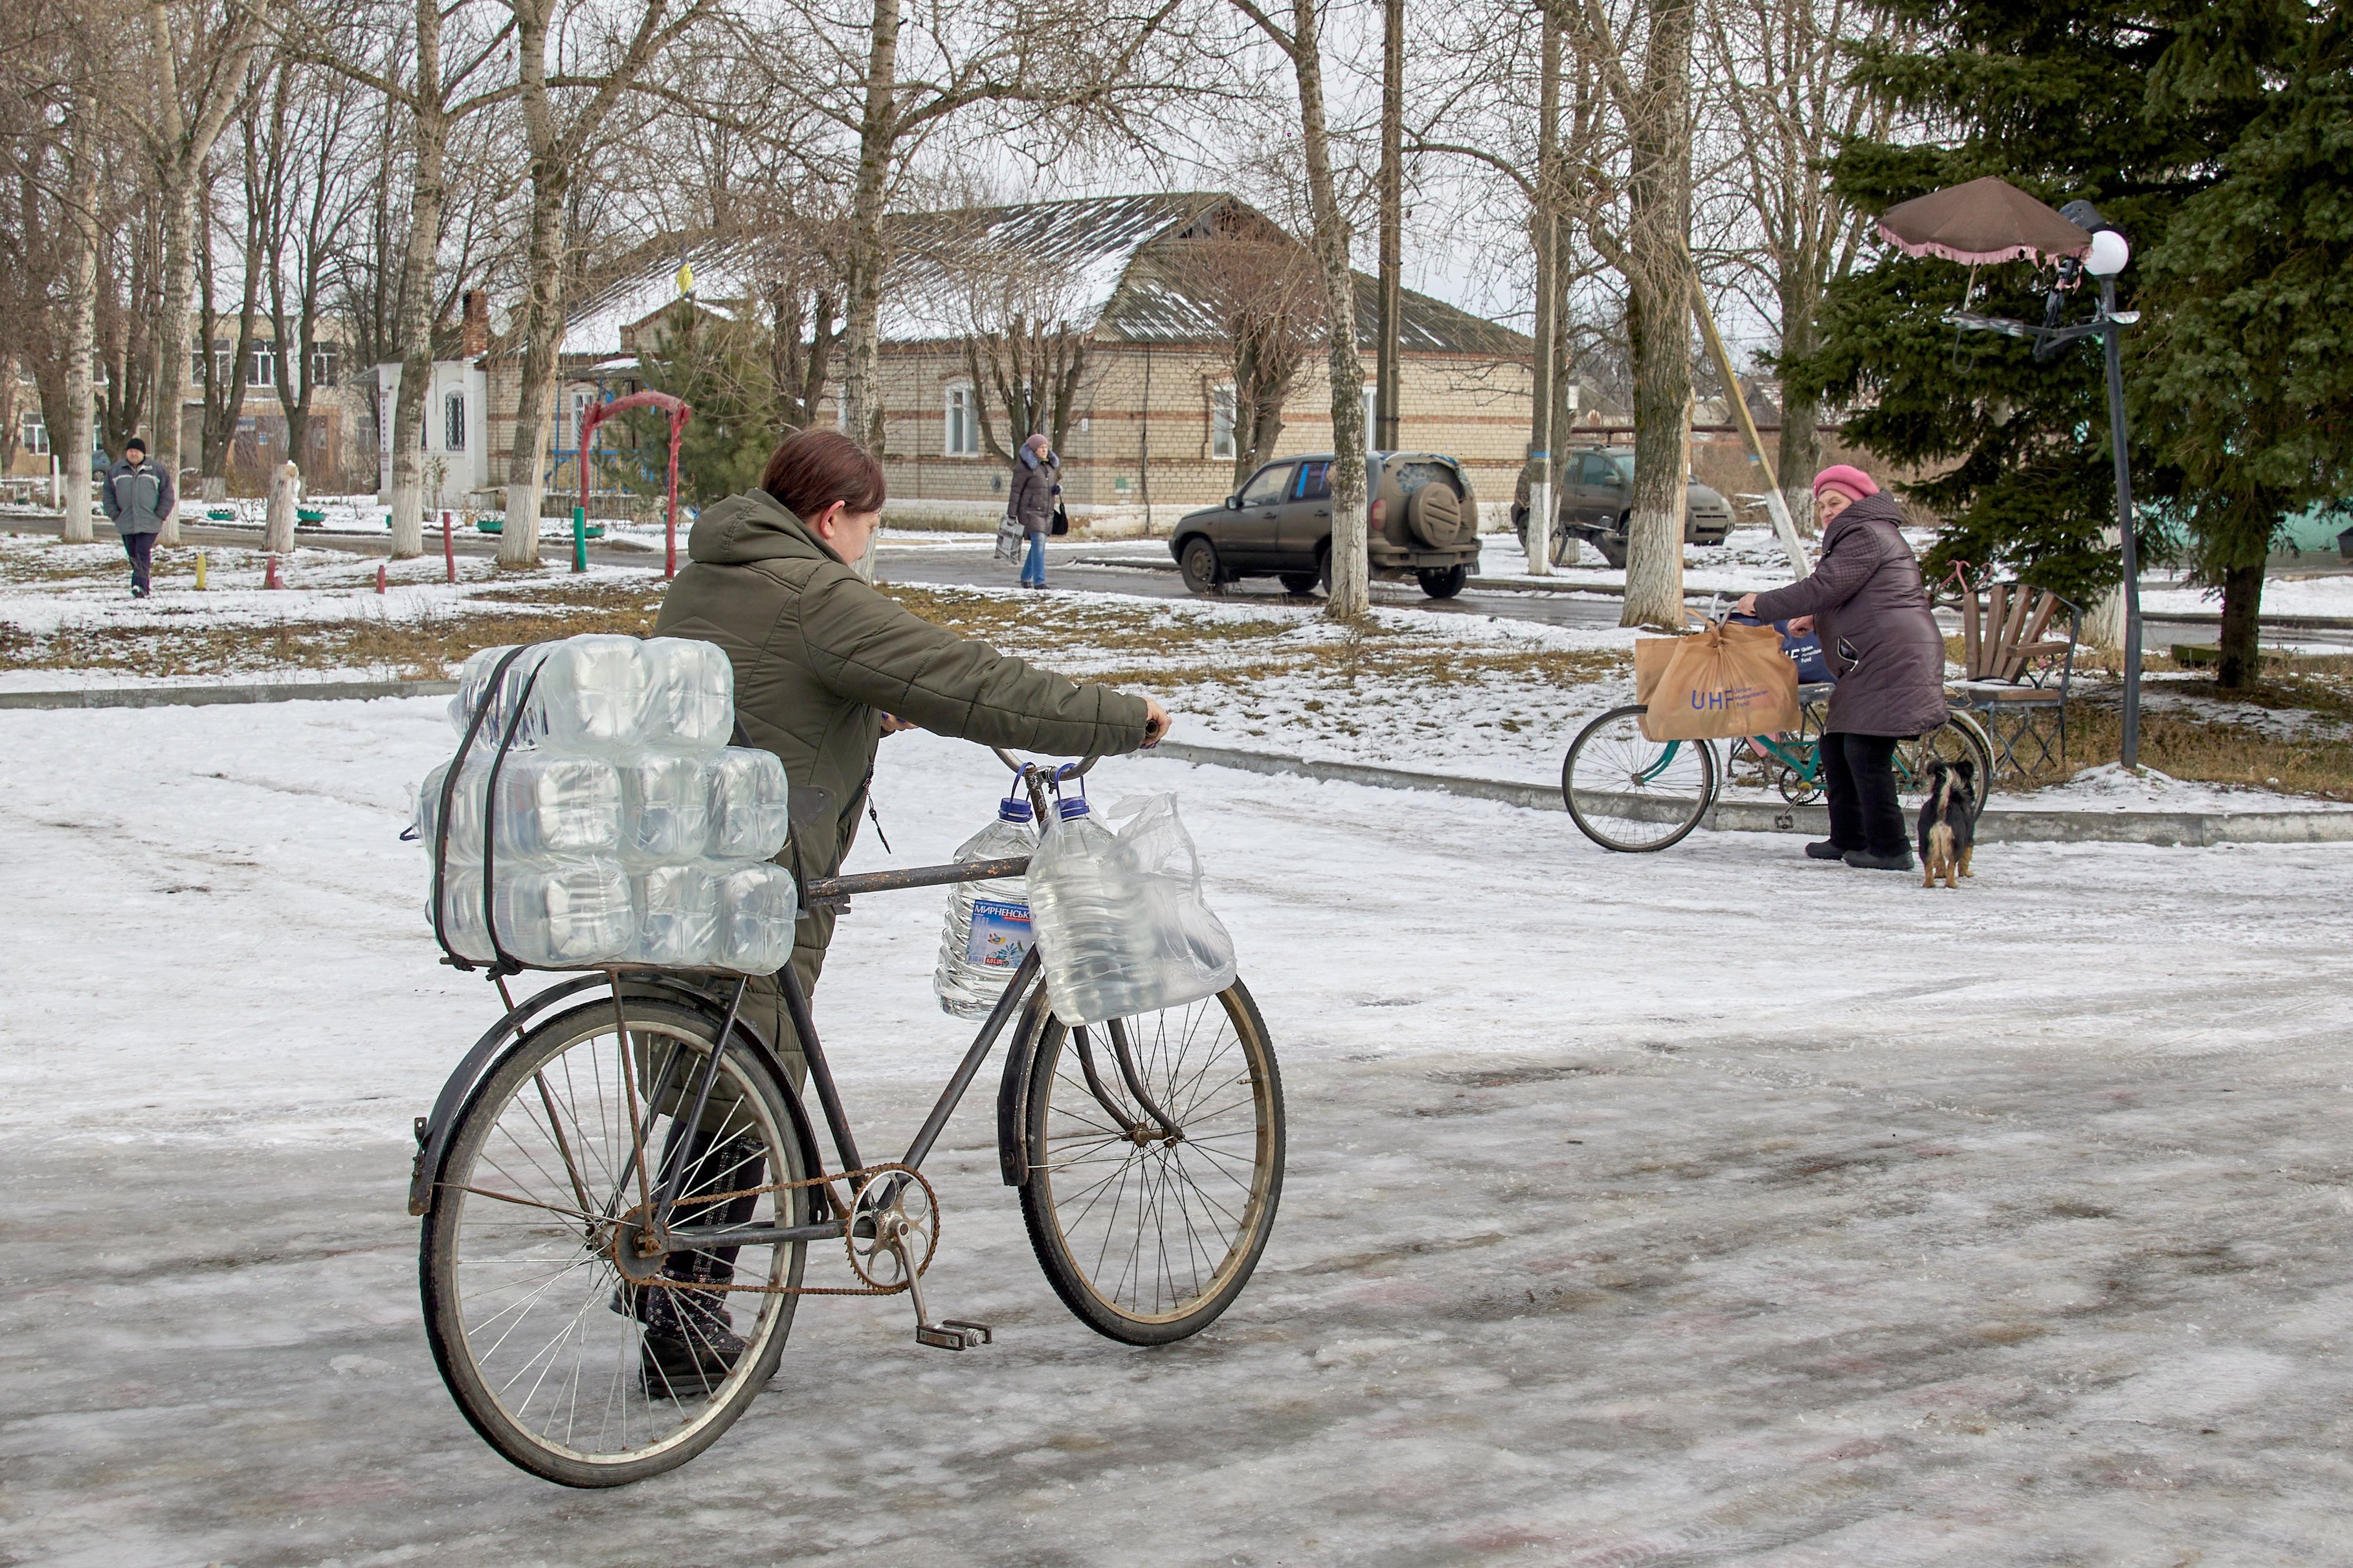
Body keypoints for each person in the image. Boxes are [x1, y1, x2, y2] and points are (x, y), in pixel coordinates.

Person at [643, 428, 1168, 1381]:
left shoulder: (710, 571)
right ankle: (681, 1324)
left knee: (715, 1076)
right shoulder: (815, 589)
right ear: (832, 517)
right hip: (761, 864)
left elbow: (755, 686)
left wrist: (854, 707)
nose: (865, 549)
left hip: (675, 854)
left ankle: (671, 1292)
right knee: (746, 1086)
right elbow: (965, 677)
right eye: (868, 530)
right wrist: (1115, 717)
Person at [1734, 464, 1946, 871]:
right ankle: (1850, 837)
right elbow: (1857, 593)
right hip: (1880, 654)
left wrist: (1762, 604)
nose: (1827, 511)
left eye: (1836, 502)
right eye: (1822, 505)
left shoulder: (1865, 533)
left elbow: (1825, 586)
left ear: (1858, 501)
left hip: (1893, 656)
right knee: (1835, 745)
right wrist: (1817, 619)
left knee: (1864, 749)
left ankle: (1890, 848)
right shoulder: (1864, 533)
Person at [99, 437, 174, 599]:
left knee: (142, 552)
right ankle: (143, 586)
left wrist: (160, 514)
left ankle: (138, 585)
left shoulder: (156, 470)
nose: (134, 453)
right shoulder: (116, 471)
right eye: (131, 451)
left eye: (137, 451)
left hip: (149, 522)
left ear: (143, 453)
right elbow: (108, 495)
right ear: (127, 452)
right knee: (133, 555)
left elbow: (167, 494)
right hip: (126, 522)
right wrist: (115, 515)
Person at [1009, 432, 1060, 589]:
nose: (1044, 450)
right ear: (1032, 450)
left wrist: (1057, 490)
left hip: (1046, 513)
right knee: (1038, 543)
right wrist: (1011, 515)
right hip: (1030, 512)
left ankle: (1026, 577)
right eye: (1040, 448)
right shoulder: (1024, 468)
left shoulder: (1050, 467)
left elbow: (1047, 488)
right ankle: (1040, 581)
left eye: (1046, 447)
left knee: (1039, 545)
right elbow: (1015, 491)